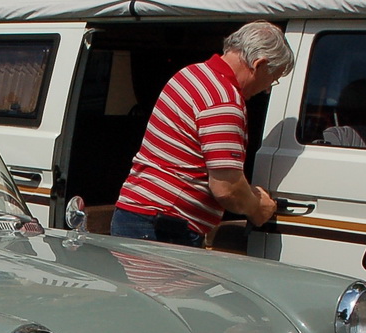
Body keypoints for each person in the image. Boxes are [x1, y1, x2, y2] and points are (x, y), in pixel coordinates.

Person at [110, 22, 290, 247]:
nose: (267, 90)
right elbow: (227, 188)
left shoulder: (192, 73)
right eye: (272, 79)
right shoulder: (224, 101)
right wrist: (257, 207)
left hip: (140, 213)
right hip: (164, 224)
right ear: (259, 64)